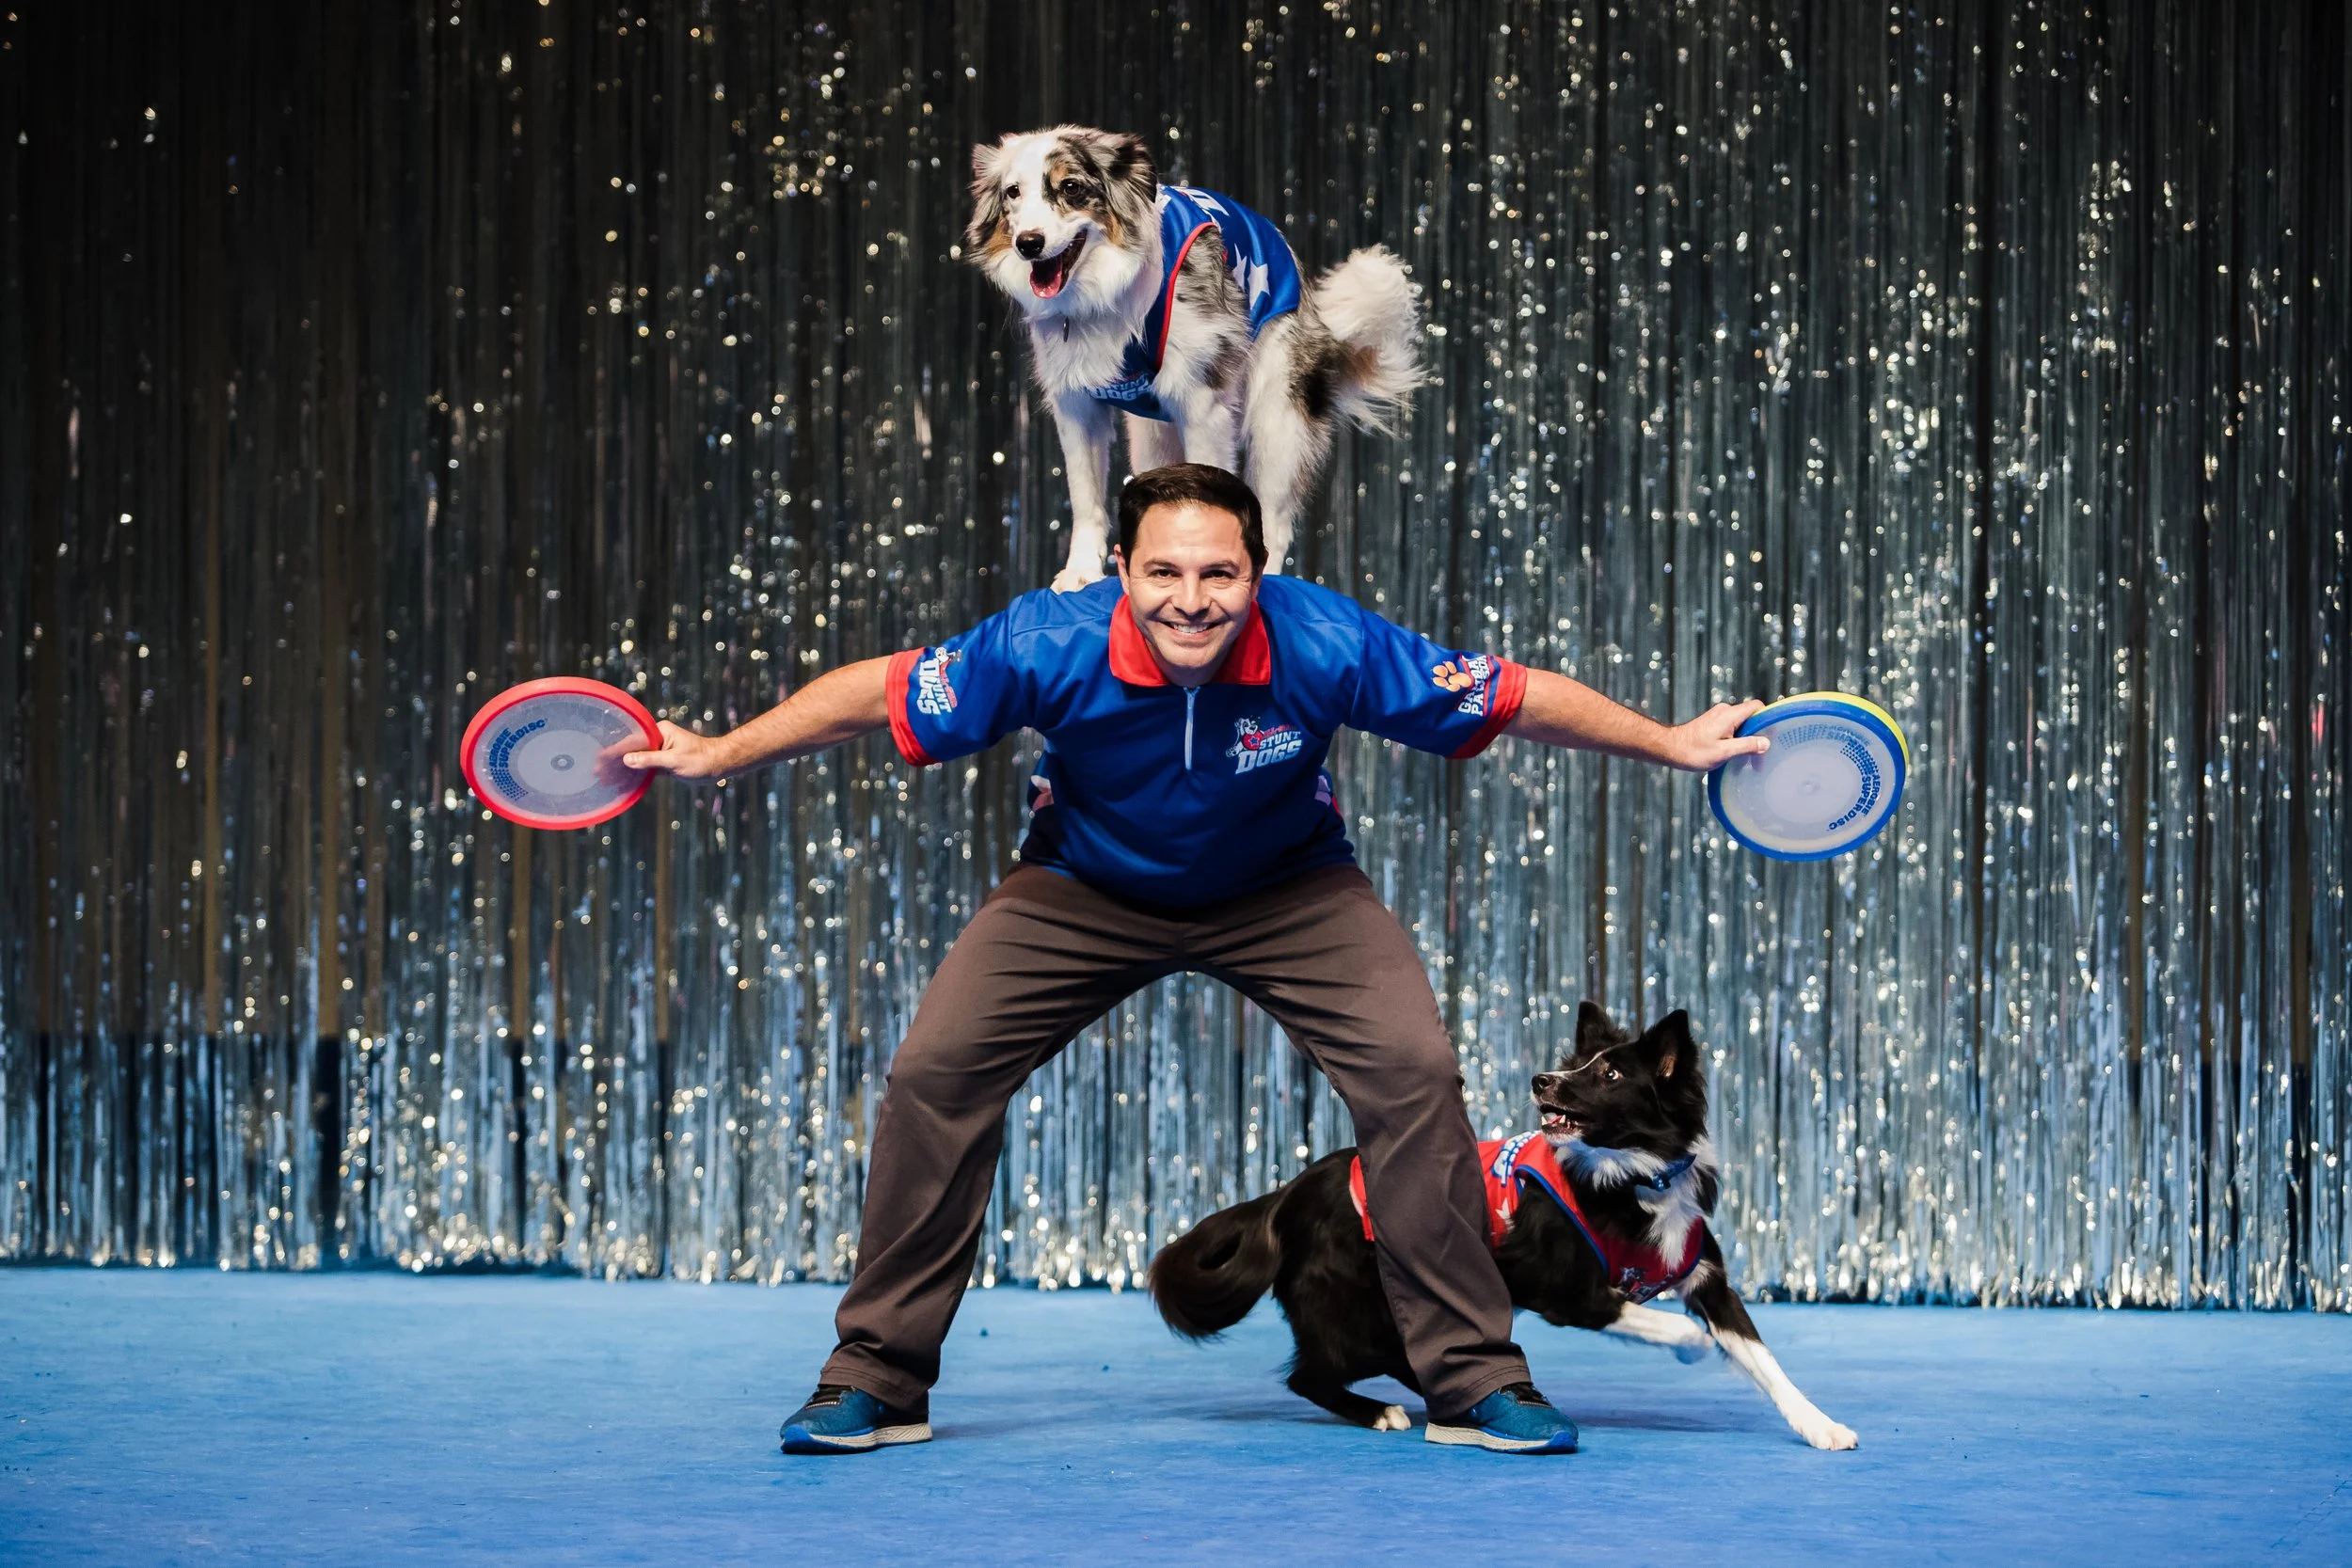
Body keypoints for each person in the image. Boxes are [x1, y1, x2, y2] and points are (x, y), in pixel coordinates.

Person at [623, 464, 1767, 1455]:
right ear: (1120, 567)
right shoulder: (1046, 640)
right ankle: (876, 1374)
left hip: (1287, 888)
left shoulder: (1323, 640)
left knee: (1414, 1074)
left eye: (1219, 572)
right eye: (1163, 571)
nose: (1191, 597)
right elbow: (876, 691)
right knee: (936, 1072)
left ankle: (1471, 1378)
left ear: (1257, 572)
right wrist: (723, 752)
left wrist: (1669, 742)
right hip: (1083, 886)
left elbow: (1510, 696)